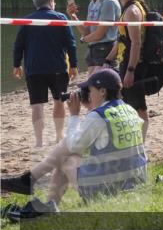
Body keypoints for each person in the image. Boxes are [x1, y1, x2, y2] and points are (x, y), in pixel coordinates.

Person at [0, 69, 147, 220]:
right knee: (69, 154)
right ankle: (38, 191)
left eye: (90, 90)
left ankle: (34, 186)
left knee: (66, 158)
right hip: (135, 181)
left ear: (102, 91)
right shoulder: (129, 110)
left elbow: (73, 145)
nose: (89, 95)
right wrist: (91, 108)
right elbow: (104, 136)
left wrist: (75, 115)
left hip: (109, 188)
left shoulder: (98, 116)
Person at [12, 0, 78, 148]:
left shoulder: (26, 21)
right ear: (51, 2)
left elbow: (18, 45)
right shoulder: (60, 18)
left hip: (34, 68)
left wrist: (16, 64)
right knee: (59, 101)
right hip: (57, 68)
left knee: (37, 105)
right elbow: (71, 44)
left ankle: (39, 142)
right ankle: (58, 136)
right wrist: (74, 65)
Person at [111, 0, 154, 136]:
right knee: (128, 106)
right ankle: (134, 142)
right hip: (126, 62)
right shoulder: (128, 9)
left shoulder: (132, 11)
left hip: (133, 65)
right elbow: (123, 39)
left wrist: (130, 71)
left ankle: (140, 145)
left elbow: (136, 43)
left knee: (138, 108)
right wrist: (108, 59)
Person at [67, 0, 120, 73]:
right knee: (91, 88)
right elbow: (87, 31)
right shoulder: (93, 3)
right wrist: (73, 17)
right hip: (94, 50)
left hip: (106, 50)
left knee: (97, 87)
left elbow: (100, 34)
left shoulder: (109, 2)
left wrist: (83, 40)